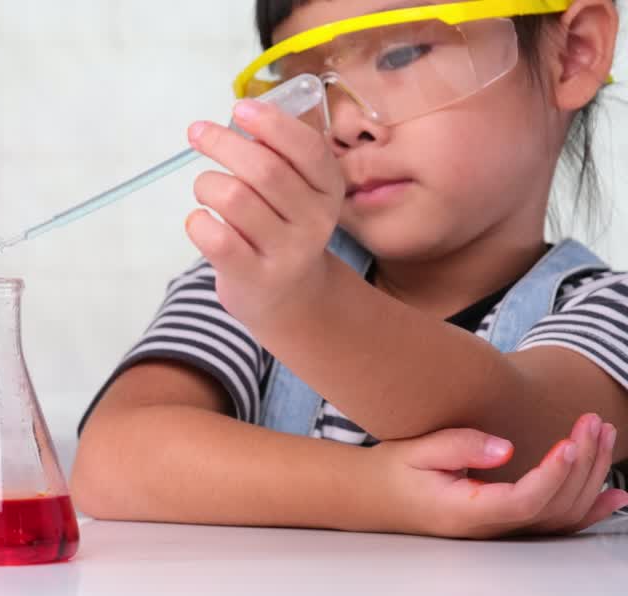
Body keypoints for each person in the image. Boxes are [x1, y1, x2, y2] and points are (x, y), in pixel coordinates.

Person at [75, 0, 628, 539]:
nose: (342, 123)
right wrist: (375, 491)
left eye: (401, 55)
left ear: (573, 52)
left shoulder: (608, 309)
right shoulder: (256, 279)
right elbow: (111, 460)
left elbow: (521, 444)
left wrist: (301, 304)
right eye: (305, 86)